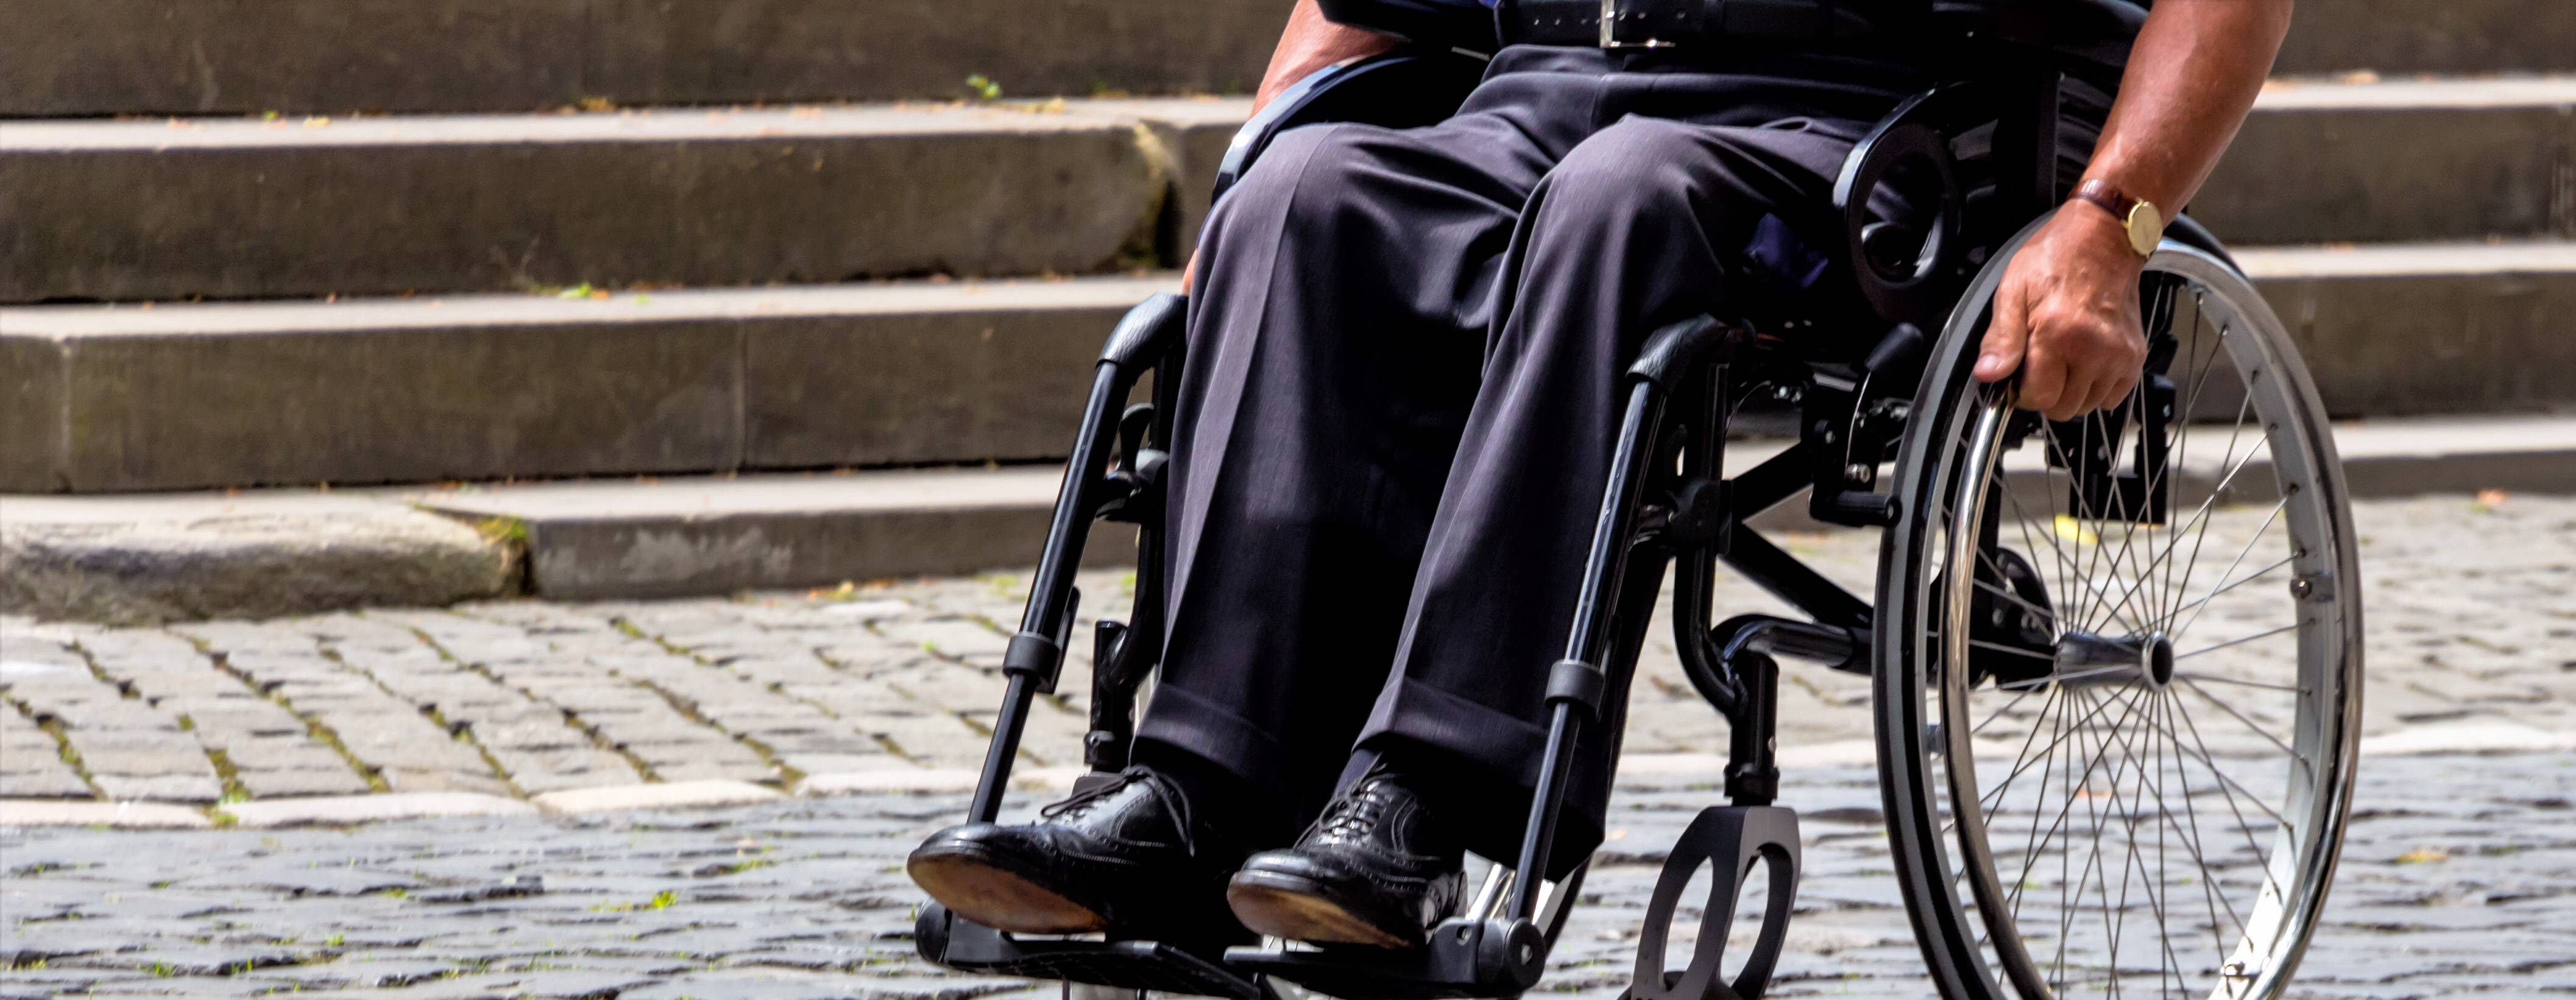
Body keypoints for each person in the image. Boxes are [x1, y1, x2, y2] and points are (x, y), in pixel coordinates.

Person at [907, 0, 2293, 951]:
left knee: (1618, 200)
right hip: (1540, 97)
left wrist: (2110, 223)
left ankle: (1424, 800)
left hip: (1851, 125)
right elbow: (1366, 8)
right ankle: (1201, 788)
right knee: (1303, 200)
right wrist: (1248, 160)